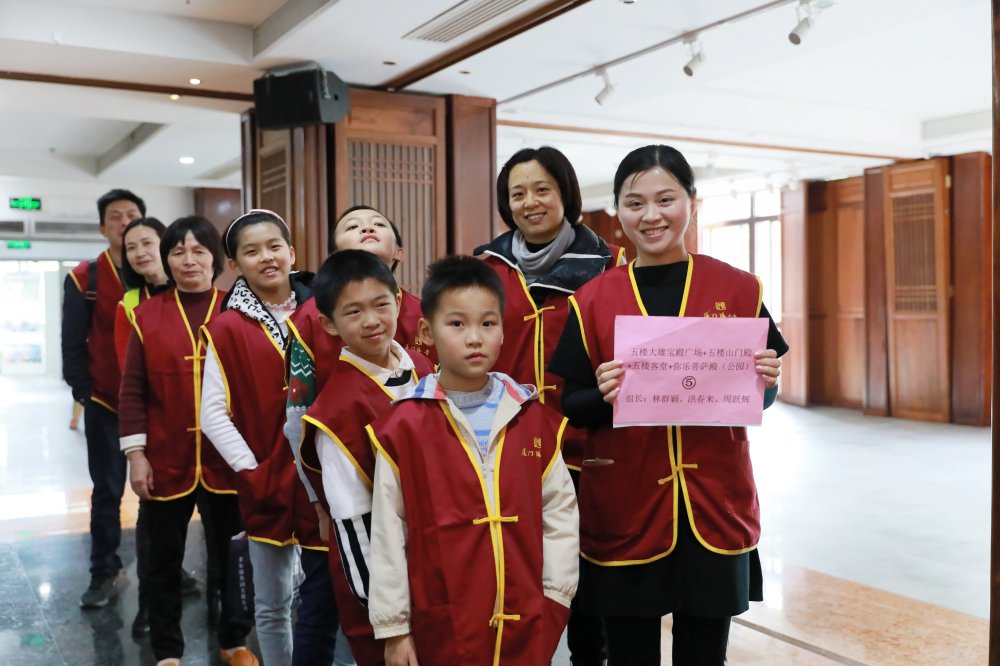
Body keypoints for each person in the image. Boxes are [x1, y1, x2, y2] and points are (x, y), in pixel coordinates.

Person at [548, 144, 787, 666]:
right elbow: (571, 404)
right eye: (635, 203)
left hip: (713, 501)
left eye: (666, 199)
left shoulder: (738, 288)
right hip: (626, 499)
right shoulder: (591, 299)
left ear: (692, 203)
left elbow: (761, 395)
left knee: (705, 654)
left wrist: (767, 381)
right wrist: (608, 395)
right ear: (617, 211)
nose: (651, 216)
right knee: (630, 654)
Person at [366, 255, 579, 666]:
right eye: (457, 324)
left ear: (503, 331)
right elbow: (388, 532)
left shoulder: (532, 416)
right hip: (441, 618)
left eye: (488, 323)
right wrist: (394, 627)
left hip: (529, 613)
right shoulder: (403, 426)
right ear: (427, 332)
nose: (475, 338)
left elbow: (560, 512)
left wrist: (556, 595)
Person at [475, 145, 624, 663]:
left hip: (589, 446)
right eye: (518, 193)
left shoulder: (608, 267)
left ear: (565, 194)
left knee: (588, 583)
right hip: (505, 446)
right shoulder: (484, 269)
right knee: (509, 572)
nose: (530, 202)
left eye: (543, 189)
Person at [200, 209, 340, 666]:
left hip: (327, 477)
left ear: (292, 252)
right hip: (265, 478)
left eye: (274, 246)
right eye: (251, 251)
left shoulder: (325, 310)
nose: (266, 258)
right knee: (272, 603)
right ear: (235, 265)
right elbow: (213, 414)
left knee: (331, 595)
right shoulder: (226, 327)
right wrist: (251, 471)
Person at [118, 216, 256, 666]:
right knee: (161, 563)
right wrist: (136, 455)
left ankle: (234, 640)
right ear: (167, 259)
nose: (189, 260)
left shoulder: (239, 311)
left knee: (234, 558)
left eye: (199, 251)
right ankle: (167, 652)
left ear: (217, 259)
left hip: (229, 461)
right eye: (178, 251)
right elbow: (133, 389)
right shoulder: (146, 315)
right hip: (165, 458)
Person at [297, 249, 435, 666]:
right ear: (329, 323)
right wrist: (392, 627)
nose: (373, 321)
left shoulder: (424, 367)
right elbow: (354, 532)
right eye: (353, 312)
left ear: (399, 300)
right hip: (385, 594)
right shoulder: (335, 412)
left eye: (381, 304)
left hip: (437, 569)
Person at [113, 215, 199, 638]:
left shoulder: (212, 298)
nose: (141, 253)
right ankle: (151, 611)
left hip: (212, 440)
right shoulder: (132, 306)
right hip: (161, 436)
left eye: (148, 242)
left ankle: (228, 623)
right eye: (131, 248)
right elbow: (129, 380)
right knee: (154, 537)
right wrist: (138, 450)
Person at [62, 188, 144, 608]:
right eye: (116, 216)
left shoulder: (157, 275)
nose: (125, 221)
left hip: (155, 406)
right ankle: (104, 571)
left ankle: (161, 568)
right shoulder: (84, 277)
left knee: (161, 493)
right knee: (108, 491)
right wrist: (86, 394)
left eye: (133, 214)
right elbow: (72, 344)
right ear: (103, 227)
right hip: (107, 405)